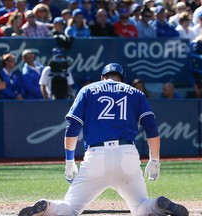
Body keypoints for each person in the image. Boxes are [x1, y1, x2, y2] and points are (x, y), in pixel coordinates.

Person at [18, 63, 189, 216]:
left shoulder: (87, 90)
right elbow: (151, 128)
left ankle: (48, 207)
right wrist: (154, 159)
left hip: (96, 156)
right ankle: (157, 205)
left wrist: (69, 161)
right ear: (122, 79)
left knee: (71, 208)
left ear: (102, 77)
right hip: (126, 155)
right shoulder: (136, 93)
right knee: (141, 207)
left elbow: (73, 127)